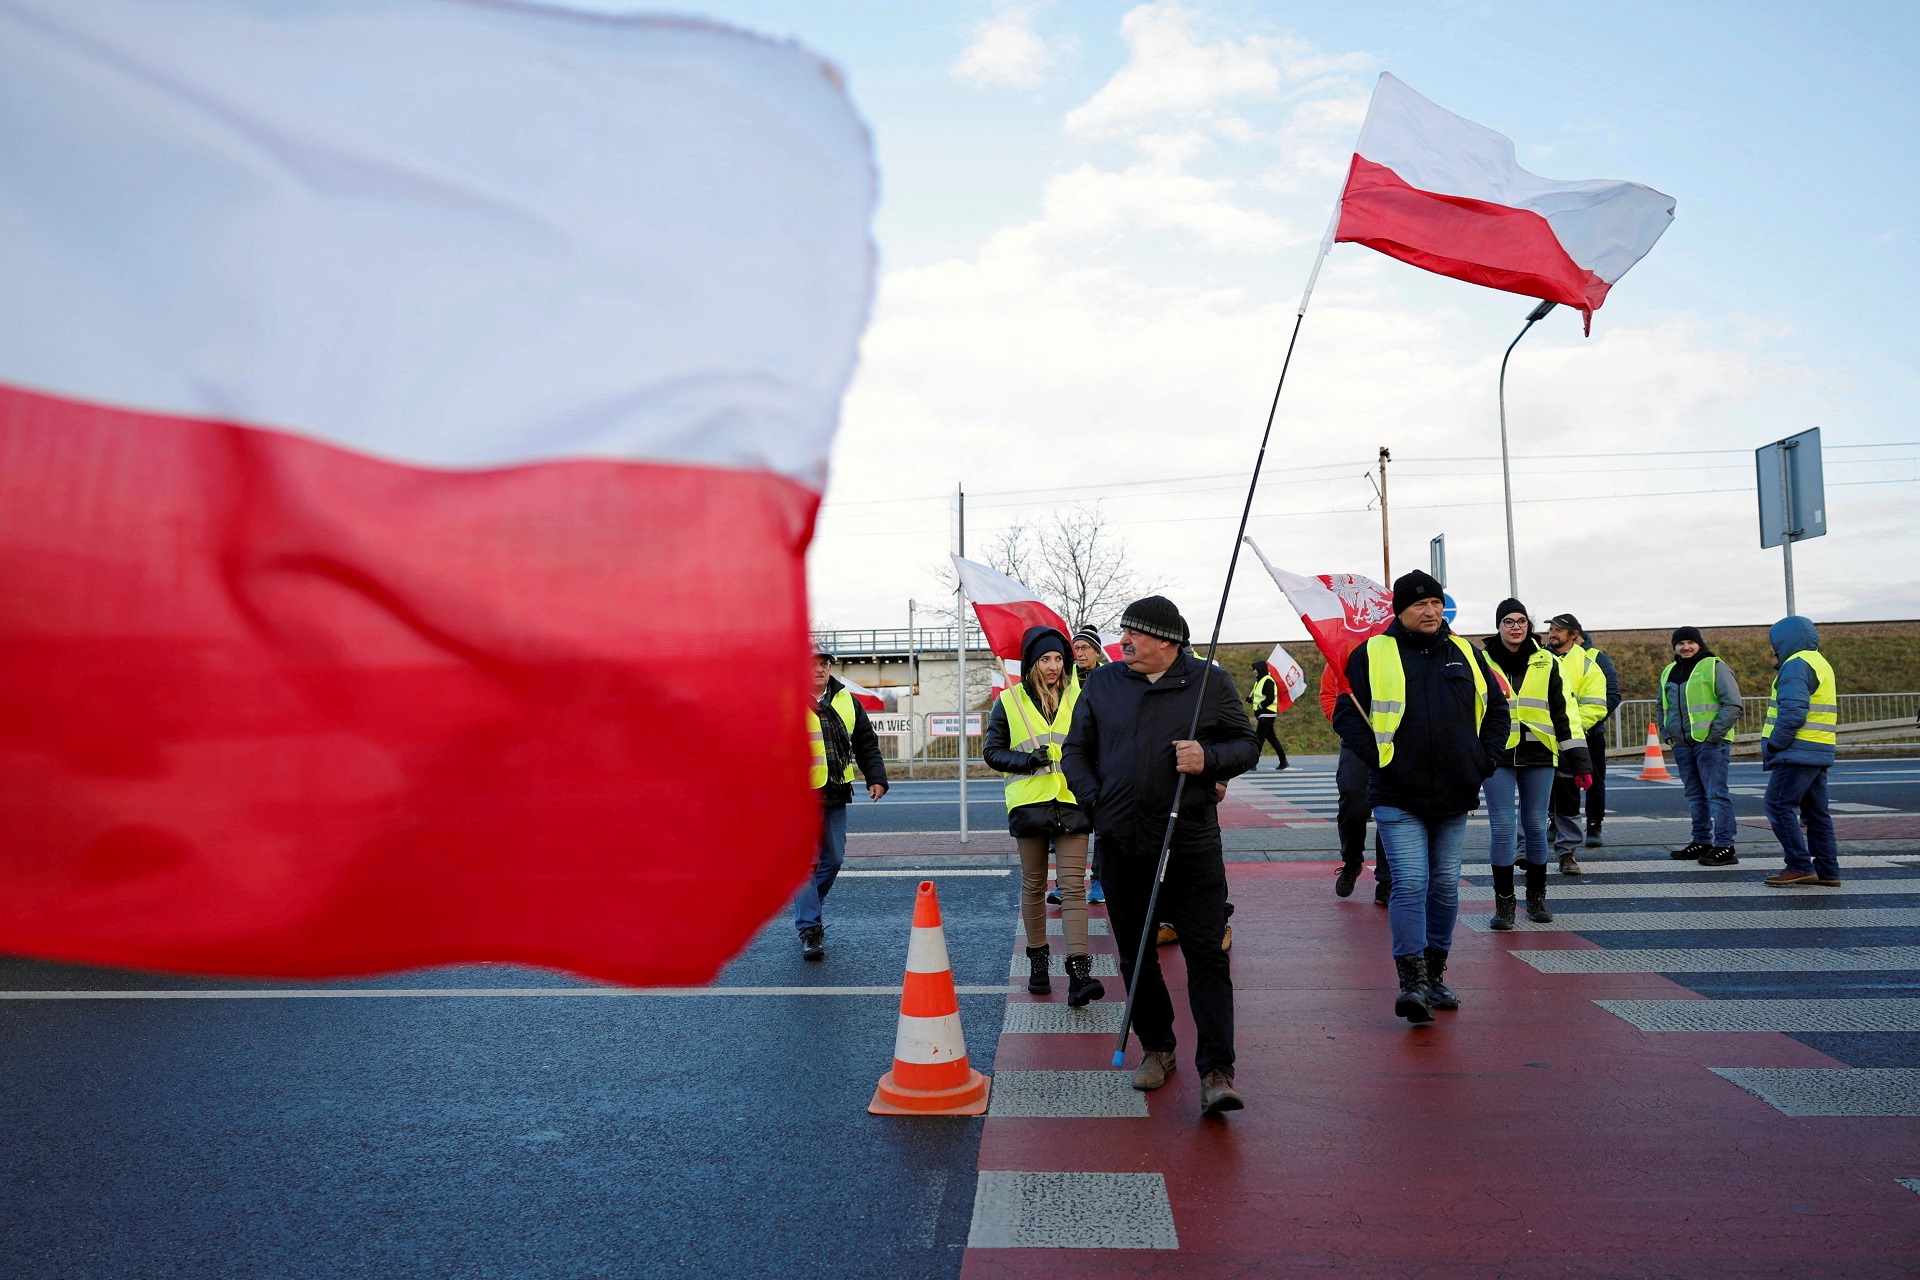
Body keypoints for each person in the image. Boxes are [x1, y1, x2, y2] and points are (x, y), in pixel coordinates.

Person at [1062, 595, 1257, 1116]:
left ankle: (1217, 1069)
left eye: (1134, 635)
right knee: (1135, 954)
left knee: (1206, 955)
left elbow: (1246, 744)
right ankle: (1159, 1048)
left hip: (1190, 842)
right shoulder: (1102, 684)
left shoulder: (1208, 683)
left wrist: (1208, 759)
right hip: (1122, 843)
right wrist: (1096, 800)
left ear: (1167, 642)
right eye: (1122, 634)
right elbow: (1075, 751)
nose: (1122, 643)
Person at [1335, 571, 1509, 1023]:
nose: (1430, 611)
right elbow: (1344, 710)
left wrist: (1483, 759)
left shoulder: (1468, 652)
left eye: (1436, 603)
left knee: (1446, 886)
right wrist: (1377, 756)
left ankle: (1435, 975)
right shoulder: (1373, 652)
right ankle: (1410, 982)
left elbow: (1497, 709)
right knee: (1411, 883)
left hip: (1456, 790)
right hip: (1397, 791)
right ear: (1400, 611)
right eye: (1420, 605)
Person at [984, 626, 1104, 1006]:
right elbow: (992, 752)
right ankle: (1038, 963)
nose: (1054, 666)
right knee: (1034, 886)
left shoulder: (1080, 696)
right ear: (1032, 663)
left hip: (1072, 802)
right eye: (1046, 659)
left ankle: (1080, 976)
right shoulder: (1010, 700)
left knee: (1072, 888)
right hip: (1029, 804)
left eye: (1058, 659)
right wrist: (1024, 761)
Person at [1480, 600, 1590, 930]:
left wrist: (1580, 761)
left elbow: (1565, 712)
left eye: (1522, 621)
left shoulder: (1547, 661)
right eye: (1509, 621)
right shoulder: (1481, 661)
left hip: (1540, 752)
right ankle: (1504, 905)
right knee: (1501, 828)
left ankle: (1536, 898)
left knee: (1535, 825)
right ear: (1498, 626)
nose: (1516, 626)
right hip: (1497, 754)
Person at [795, 650, 888, 960]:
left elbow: (865, 743)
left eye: (824, 664)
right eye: (812, 665)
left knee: (833, 859)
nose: (819, 669)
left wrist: (876, 777)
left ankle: (808, 906)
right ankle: (810, 928)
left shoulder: (847, 700)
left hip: (835, 791)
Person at [1759, 616, 1841, 888]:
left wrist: (1774, 745)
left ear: (1783, 639)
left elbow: (1793, 713)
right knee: (1817, 813)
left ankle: (1798, 865)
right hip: (1818, 748)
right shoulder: (1820, 662)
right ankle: (1828, 871)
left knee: (1778, 804)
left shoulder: (1795, 665)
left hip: (1796, 750)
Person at [1659, 626, 1744, 865]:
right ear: (1674, 646)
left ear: (1699, 644)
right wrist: (1668, 735)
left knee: (1716, 794)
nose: (1685, 647)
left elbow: (1733, 704)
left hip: (1710, 744)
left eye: (1690, 642)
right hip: (1683, 744)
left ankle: (1725, 846)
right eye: (1680, 643)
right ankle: (1701, 841)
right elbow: (1661, 706)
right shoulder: (1669, 671)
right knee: (1695, 796)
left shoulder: (1715, 666)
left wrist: (1714, 735)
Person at [1542, 613, 1610, 874]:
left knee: (1569, 798)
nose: (1553, 633)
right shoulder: (1539, 659)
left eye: (1560, 630)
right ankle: (1528, 851)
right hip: (1540, 739)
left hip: (1571, 740)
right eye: (1552, 629)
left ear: (1574, 635)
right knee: (1537, 798)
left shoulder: (1587, 664)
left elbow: (1595, 706)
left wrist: (1566, 729)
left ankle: (1568, 854)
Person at [1322, 656, 1390, 903]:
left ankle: (1386, 879)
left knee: (1389, 810)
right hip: (1356, 744)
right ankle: (1352, 862)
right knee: (1353, 806)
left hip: (1395, 744)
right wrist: (1345, 724)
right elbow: (1329, 694)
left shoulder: (1397, 647)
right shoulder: (1344, 650)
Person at [1058, 627, 1110, 906]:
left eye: (1085, 648)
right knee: (1070, 824)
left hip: (1102, 757)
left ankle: (1098, 881)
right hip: (1074, 757)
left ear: (1097, 651)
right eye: (1075, 648)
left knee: (1101, 824)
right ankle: (1066, 882)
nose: (1079, 653)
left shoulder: (1109, 678)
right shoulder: (1065, 679)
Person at [1576, 624, 1623, 848]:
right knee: (1559, 782)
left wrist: (1592, 722)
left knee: (1594, 782)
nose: (1553, 636)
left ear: (1575, 636)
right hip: (1560, 733)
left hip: (1591, 732)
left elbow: (1612, 695)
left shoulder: (1596, 657)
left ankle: (1594, 824)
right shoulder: (1551, 657)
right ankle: (1555, 821)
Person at [1248, 661, 1290, 770]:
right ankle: (1283, 760)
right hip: (1264, 714)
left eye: (1255, 669)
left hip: (1267, 714)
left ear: (1260, 669)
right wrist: (1252, 700)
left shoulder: (1268, 681)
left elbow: (1270, 698)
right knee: (1271, 738)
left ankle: (1253, 763)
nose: (1254, 672)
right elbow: (1260, 698)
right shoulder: (1260, 681)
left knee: (1259, 739)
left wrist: (1261, 706)